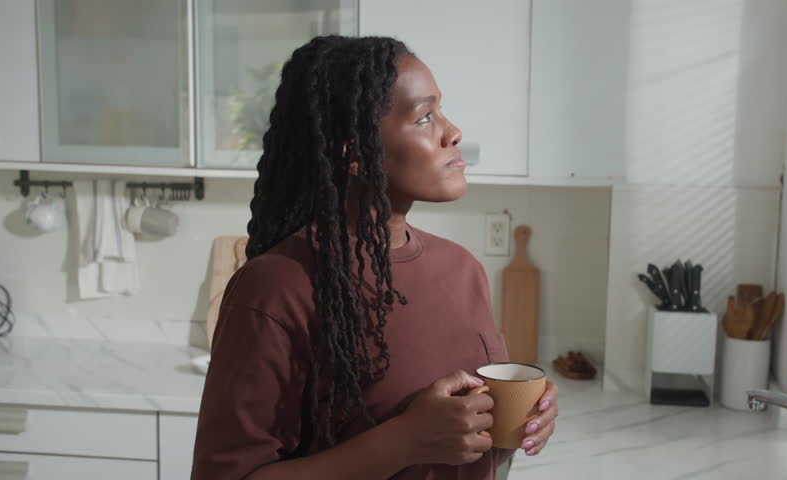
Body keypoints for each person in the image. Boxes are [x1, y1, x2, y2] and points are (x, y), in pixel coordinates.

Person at [191, 35, 559, 480]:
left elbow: (471, 445)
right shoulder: (278, 286)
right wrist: (402, 441)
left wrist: (523, 420)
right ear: (355, 153)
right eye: (425, 117)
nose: (453, 131)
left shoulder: (463, 269)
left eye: (440, 109)